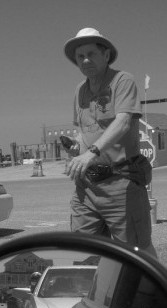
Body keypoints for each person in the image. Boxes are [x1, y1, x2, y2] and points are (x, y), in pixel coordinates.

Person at [63, 27, 157, 257]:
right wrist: (77, 148)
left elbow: (124, 121)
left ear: (106, 55)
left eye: (91, 54)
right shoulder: (79, 91)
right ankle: (101, 292)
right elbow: (85, 130)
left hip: (120, 181)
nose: (85, 60)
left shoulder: (122, 80)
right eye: (80, 56)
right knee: (85, 248)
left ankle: (156, 290)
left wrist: (91, 152)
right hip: (87, 185)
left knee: (137, 251)